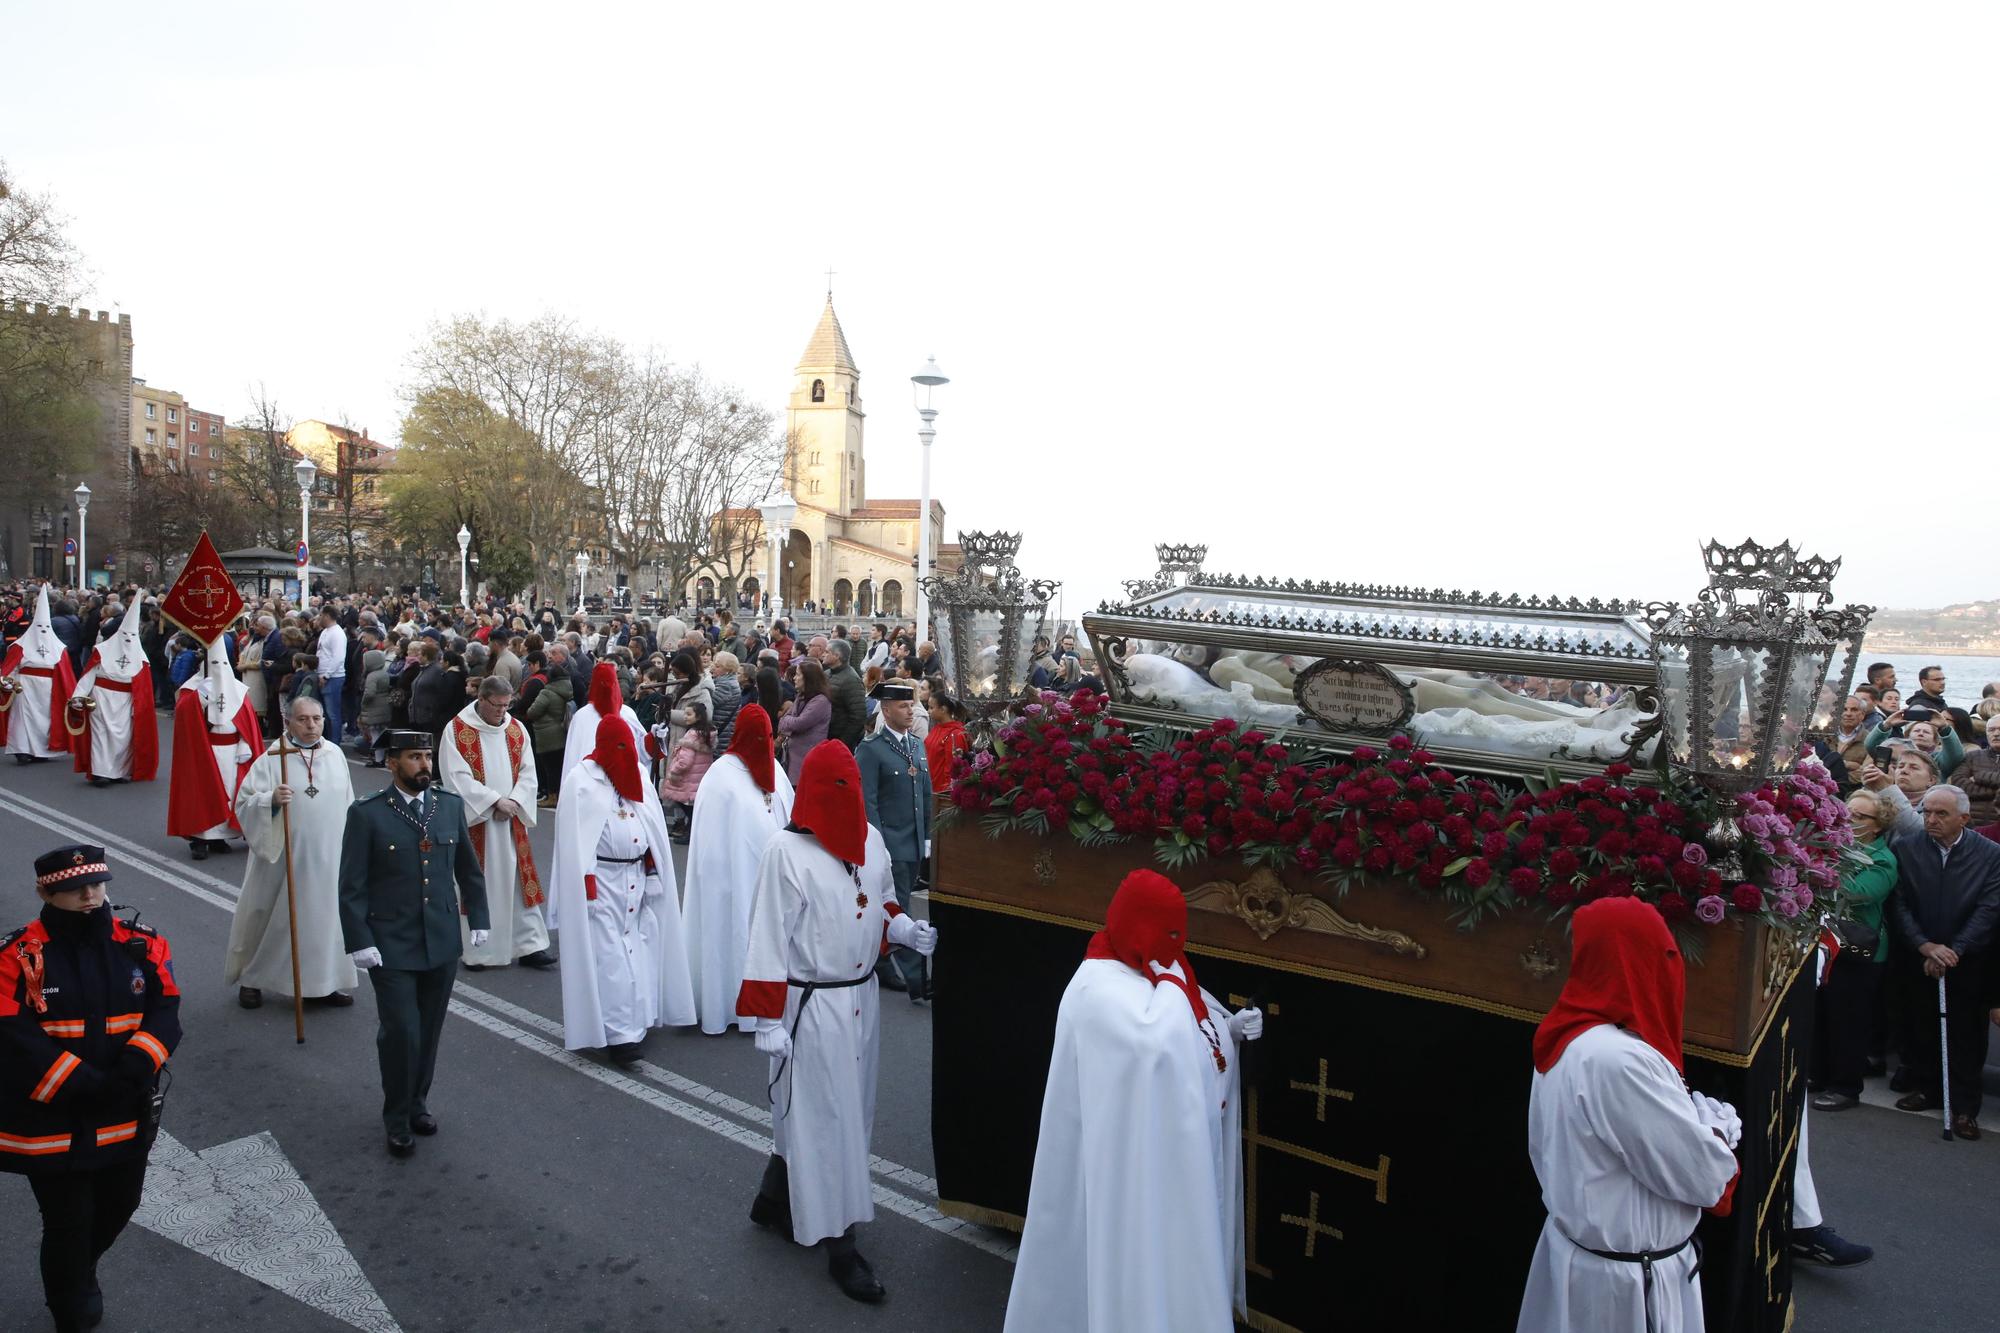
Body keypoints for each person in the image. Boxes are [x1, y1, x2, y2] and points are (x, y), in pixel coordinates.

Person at [1004, 869, 1261, 1333]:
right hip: (1120, 1176)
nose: (1175, 954)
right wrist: (1171, 987)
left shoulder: (1153, 967)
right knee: (1124, 1275)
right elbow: (1160, 1047)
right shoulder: (1097, 990)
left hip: (1156, 1168)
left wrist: (1229, 1030)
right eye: (1168, 939)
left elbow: (1188, 1023)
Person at [737, 742, 938, 1303]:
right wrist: (767, 1019)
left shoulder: (870, 843)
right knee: (825, 1120)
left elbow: (883, 904)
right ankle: (839, 1244)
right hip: (812, 1006)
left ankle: (774, 1197)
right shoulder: (787, 851)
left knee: (847, 1111)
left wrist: (905, 934)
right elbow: (767, 937)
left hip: (861, 999)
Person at [1515, 896, 1741, 1333]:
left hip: (1584, 1264)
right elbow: (1702, 1177)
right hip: (1625, 1291)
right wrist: (1717, 1134)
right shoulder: (1617, 1060)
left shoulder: (1572, 1035)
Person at [0, 844, 181, 1333]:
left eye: (97, 885)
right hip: (52, 1116)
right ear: (44, 891)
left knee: (122, 1203)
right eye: (72, 889)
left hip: (124, 1104)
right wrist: (82, 1083)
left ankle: (77, 1270)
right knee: (68, 1221)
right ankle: (70, 1306)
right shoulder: (17, 957)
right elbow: (11, 1036)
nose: (88, 895)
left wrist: (132, 1069)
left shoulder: (139, 944)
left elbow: (166, 1011)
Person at [338, 730, 491, 1157]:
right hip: (390, 943)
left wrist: (478, 917)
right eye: (414, 757)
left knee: (428, 1030)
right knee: (401, 1031)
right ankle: (397, 1115)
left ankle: (418, 1101)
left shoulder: (449, 807)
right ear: (392, 764)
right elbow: (351, 886)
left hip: (440, 940)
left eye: (427, 756)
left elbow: (469, 870)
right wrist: (359, 941)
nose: (424, 765)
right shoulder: (368, 815)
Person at [550, 714, 695, 1064]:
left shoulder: (638, 777)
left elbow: (651, 828)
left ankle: (638, 1021)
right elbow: (575, 844)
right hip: (604, 880)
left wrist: (653, 870)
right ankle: (618, 1035)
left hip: (638, 879)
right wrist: (586, 888)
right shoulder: (582, 782)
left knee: (639, 949)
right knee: (610, 956)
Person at [224, 695, 359, 1011]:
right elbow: (242, 803)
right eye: (303, 719)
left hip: (328, 858)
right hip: (282, 859)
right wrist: (269, 800)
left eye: (317, 718)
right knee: (270, 918)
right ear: (288, 722)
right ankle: (252, 979)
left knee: (326, 922)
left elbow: (350, 805)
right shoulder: (273, 759)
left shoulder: (335, 755)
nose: (311, 725)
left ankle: (323, 983)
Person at [1887, 784, 2000, 1138]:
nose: (1931, 820)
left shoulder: (1990, 853)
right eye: (1927, 813)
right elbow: (1899, 903)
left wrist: (1955, 949)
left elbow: (1989, 908)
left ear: (1964, 818)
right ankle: (1929, 1087)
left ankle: (1965, 1106)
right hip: (1919, 955)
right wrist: (1924, 945)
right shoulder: (1906, 848)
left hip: (1968, 960)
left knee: (1966, 1033)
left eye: (1941, 814)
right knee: (1921, 1024)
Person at [683, 705, 793, 1035]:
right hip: (730, 879)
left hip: (770, 878)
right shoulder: (720, 777)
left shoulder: (774, 769)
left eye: (769, 737)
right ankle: (727, 1003)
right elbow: (710, 844)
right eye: (759, 738)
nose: (765, 744)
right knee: (729, 934)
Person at [439, 676, 555, 971]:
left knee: (520, 884)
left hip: (512, 820)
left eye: (507, 705)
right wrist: (493, 801)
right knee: (479, 883)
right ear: (481, 698)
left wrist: (514, 801)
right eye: (497, 705)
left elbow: (530, 772)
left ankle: (529, 945)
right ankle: (480, 950)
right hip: (479, 822)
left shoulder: (516, 730)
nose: (502, 711)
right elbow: (456, 777)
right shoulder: (457, 730)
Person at [1809, 790, 1898, 1110]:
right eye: (1848, 813)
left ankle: (1846, 1086)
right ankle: (1817, 1073)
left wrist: (1816, 869)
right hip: (1826, 943)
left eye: (1860, 817)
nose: (1851, 820)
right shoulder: (1836, 847)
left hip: (1859, 950)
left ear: (1877, 826)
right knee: (1820, 1012)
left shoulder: (1882, 859)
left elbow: (1860, 892)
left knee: (1849, 1020)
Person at [856, 681, 931, 1000]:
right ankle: (917, 979)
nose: (910, 710)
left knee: (892, 905)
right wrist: (878, 846)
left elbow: (925, 794)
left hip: (913, 842)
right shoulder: (871, 749)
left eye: (911, 705)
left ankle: (881, 959)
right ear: (885, 710)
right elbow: (867, 802)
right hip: (890, 844)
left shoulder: (916, 745)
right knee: (898, 906)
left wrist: (927, 836)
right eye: (903, 706)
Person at [167, 640, 262, 862]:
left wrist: (244, 744)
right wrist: (200, 699)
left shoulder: (238, 690)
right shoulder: (192, 689)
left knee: (230, 792)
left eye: (222, 663)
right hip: (204, 750)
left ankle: (220, 837)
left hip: (232, 752)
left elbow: (247, 721)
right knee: (203, 791)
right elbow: (183, 713)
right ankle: (200, 839)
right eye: (214, 663)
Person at [64, 597, 158, 788]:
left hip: (125, 702)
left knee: (122, 737)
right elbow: (88, 675)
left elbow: (143, 690)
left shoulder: (141, 659)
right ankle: (100, 771)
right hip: (101, 698)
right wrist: (79, 696)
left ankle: (119, 771)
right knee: (101, 734)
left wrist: (137, 709)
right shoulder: (102, 650)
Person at [0, 585, 77, 765]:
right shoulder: (20, 646)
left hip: (49, 689)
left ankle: (42, 750)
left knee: (45, 720)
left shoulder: (59, 648)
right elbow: (10, 667)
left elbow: (65, 674)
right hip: (24, 686)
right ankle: (22, 749)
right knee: (23, 718)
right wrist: (8, 682)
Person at [525, 654, 573, 807]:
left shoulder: (547, 693)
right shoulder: (567, 690)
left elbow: (532, 712)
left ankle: (552, 797)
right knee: (558, 767)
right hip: (561, 732)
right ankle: (559, 795)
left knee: (550, 768)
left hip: (547, 735)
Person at [779, 660, 831, 785]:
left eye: (798, 674)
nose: (794, 678)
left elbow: (800, 723)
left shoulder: (820, 701)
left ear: (808, 678)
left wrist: (786, 721)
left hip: (806, 758)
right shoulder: (801, 696)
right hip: (793, 758)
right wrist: (787, 721)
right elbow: (783, 721)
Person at [314, 607, 349, 752]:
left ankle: (335, 743)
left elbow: (338, 657)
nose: (319, 618)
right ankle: (326, 740)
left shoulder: (337, 634)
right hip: (322, 675)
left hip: (333, 677)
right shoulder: (325, 632)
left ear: (327, 616)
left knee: (332, 713)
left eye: (321, 615)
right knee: (324, 713)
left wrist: (327, 674)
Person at [822, 639, 865, 750]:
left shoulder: (851, 680)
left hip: (838, 739)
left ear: (837, 656)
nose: (823, 654)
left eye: (827, 652)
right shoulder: (826, 674)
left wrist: (842, 743)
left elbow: (858, 716)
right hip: (825, 735)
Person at [924, 692, 969, 793]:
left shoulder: (955, 733)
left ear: (943, 709)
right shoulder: (937, 728)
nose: (928, 711)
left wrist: (946, 793)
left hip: (942, 793)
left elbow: (952, 769)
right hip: (930, 786)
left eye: (931, 708)